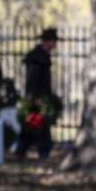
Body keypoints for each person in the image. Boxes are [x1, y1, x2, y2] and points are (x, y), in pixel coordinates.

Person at [18, 27, 59, 159]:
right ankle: (36, 150)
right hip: (37, 97)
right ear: (48, 42)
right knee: (36, 125)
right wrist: (35, 97)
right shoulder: (37, 58)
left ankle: (27, 150)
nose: (55, 45)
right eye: (54, 41)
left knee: (35, 125)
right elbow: (33, 79)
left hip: (41, 96)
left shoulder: (42, 56)